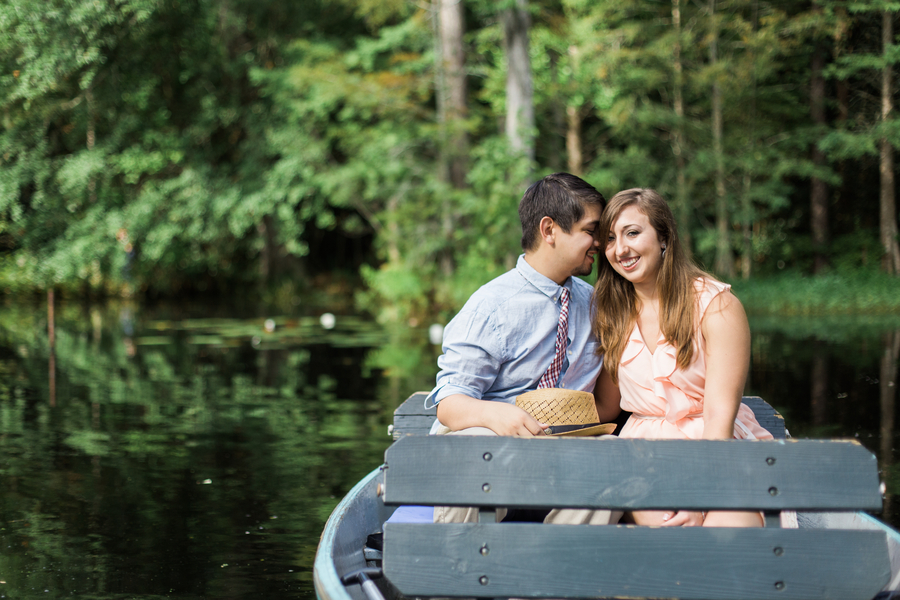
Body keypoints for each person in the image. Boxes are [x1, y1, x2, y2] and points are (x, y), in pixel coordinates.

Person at [427, 172, 620, 525]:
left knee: (612, 453)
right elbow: (450, 404)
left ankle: (558, 567)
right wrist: (497, 415)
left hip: (565, 448)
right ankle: (458, 565)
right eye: (592, 231)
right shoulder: (491, 306)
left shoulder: (597, 305)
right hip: (498, 446)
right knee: (476, 445)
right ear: (550, 230)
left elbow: (606, 406)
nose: (600, 243)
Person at [592, 188, 773, 528]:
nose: (621, 249)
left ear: (664, 238)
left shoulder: (715, 305)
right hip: (642, 460)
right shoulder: (612, 314)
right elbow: (607, 406)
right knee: (668, 526)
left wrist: (697, 497)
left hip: (715, 452)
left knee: (732, 529)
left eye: (632, 233)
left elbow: (719, 414)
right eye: (611, 239)